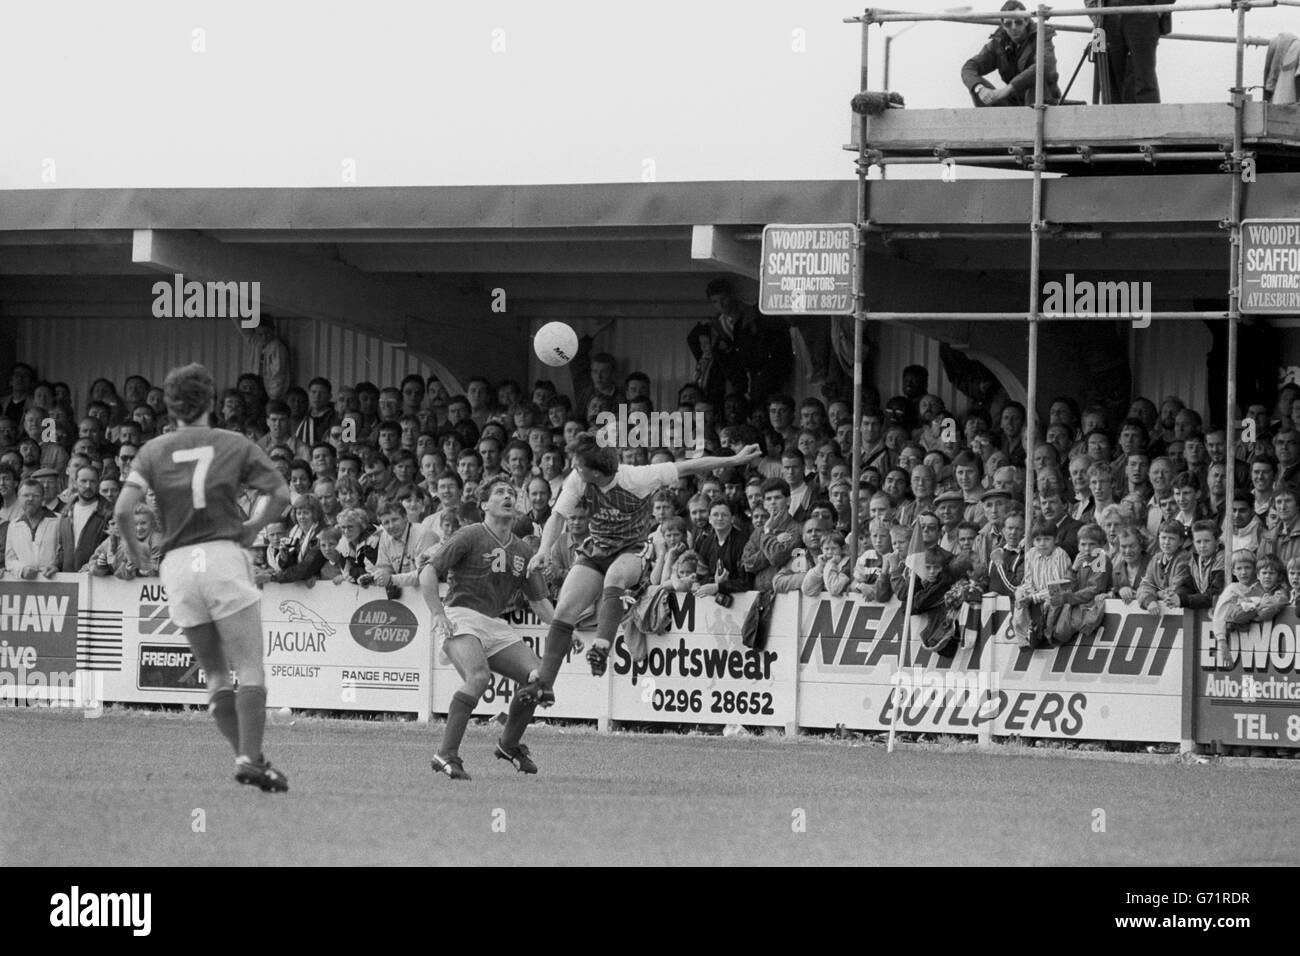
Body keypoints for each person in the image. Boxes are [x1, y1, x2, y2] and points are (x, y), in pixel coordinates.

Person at [115, 363, 292, 792]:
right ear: (211, 402)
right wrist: (252, 527)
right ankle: (250, 757)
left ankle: (250, 760)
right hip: (222, 555)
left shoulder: (153, 450)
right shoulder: (234, 443)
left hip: (176, 565)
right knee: (249, 668)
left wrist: (136, 548)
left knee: (214, 675)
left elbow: (123, 509)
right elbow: (281, 495)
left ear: (170, 405)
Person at [524, 436, 761, 702]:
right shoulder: (578, 480)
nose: (575, 469)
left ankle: (601, 647)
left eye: (579, 466)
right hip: (596, 550)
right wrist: (544, 550)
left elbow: (689, 466)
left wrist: (733, 459)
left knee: (614, 577)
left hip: (633, 550)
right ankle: (543, 685)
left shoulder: (637, 477)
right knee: (565, 610)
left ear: (594, 472)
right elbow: (557, 517)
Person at [418, 477, 556, 781]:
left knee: (539, 681)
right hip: (461, 615)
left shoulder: (522, 550)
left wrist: (563, 628)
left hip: (495, 623)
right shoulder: (468, 536)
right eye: (500, 493)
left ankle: (508, 745)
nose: (508, 497)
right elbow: (428, 572)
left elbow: (540, 602)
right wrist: (438, 613)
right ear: (484, 505)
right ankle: (445, 754)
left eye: (511, 492)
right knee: (478, 677)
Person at [961, 1, 1061, 108]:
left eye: (1018, 22)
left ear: (1026, 21)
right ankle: (989, 123)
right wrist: (980, 89)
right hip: (1014, 101)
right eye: (1008, 24)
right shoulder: (999, 43)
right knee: (975, 85)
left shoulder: (1041, 34)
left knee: (1036, 80)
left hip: (1042, 102)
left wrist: (1008, 89)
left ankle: (1030, 121)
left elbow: (1044, 65)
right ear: (1003, 25)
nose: (1013, 27)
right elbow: (969, 67)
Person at [1103, 0, 1168, 105]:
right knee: (1114, 76)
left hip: (1142, 11)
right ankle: (1118, 118)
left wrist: (1157, 10)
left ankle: (1148, 117)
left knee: (1144, 75)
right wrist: (1095, 13)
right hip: (1110, 14)